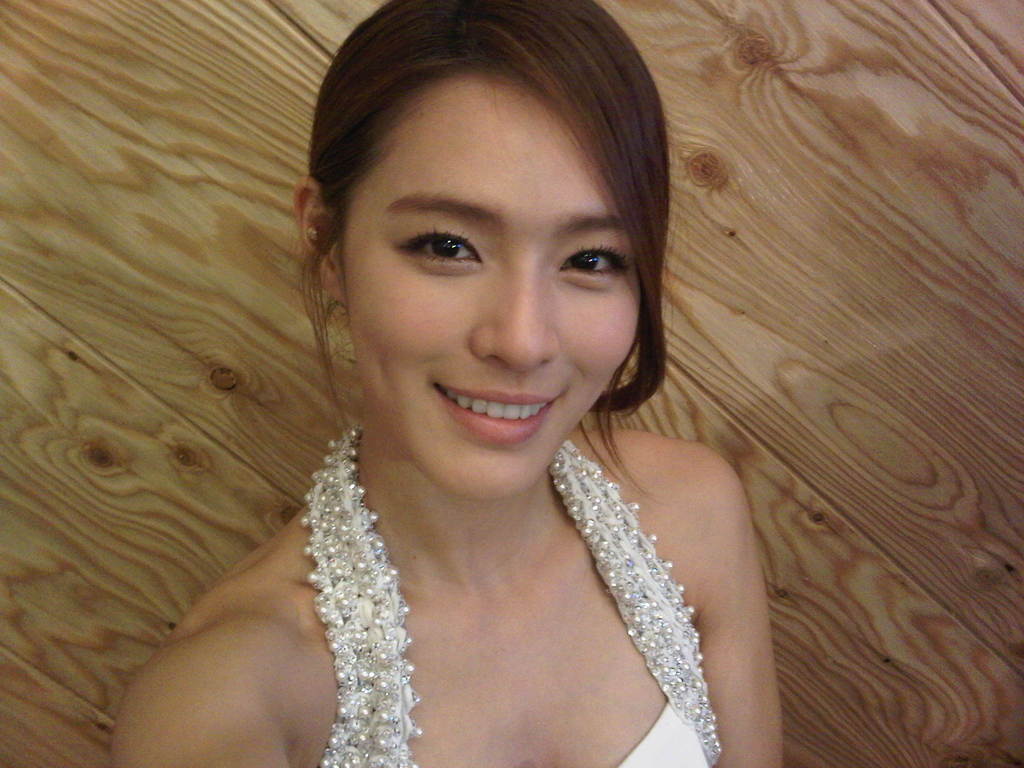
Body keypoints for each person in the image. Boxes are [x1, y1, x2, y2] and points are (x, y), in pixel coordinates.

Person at [110, 0, 783, 766]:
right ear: (325, 240)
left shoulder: (694, 512)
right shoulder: (224, 701)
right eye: (448, 246)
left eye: (591, 259)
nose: (522, 340)